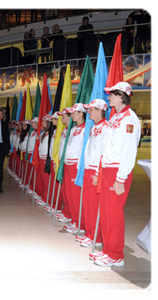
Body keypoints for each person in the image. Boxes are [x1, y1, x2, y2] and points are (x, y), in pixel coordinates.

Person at [91, 82, 140, 267]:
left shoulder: (129, 119)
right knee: (105, 212)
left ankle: (116, 255)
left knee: (113, 214)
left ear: (121, 96)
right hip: (108, 169)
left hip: (118, 172)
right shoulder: (116, 117)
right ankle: (108, 250)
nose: (108, 97)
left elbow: (129, 151)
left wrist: (121, 178)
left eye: (111, 94)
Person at [78, 99, 109, 248]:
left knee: (95, 205)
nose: (88, 112)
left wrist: (97, 172)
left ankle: (96, 237)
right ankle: (90, 233)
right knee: (88, 203)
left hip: (96, 172)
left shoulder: (106, 128)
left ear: (99, 110)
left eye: (91, 109)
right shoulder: (94, 127)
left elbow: (103, 152)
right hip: (89, 169)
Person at [61, 104, 86, 235]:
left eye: (74, 113)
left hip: (76, 165)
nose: (72, 116)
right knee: (69, 195)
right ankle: (74, 220)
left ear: (81, 113)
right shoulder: (73, 129)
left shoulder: (85, 129)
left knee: (76, 196)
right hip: (68, 164)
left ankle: (80, 224)